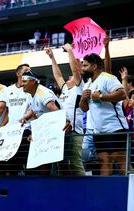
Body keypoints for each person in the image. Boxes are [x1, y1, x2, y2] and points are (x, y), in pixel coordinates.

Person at [79, 53, 128, 176]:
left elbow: (122, 94)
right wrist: (83, 99)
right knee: (104, 161)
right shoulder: (88, 83)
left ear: (94, 66)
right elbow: (84, 109)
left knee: (120, 160)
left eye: (85, 65)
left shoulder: (108, 78)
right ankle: (106, 192)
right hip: (98, 131)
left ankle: (130, 190)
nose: (82, 68)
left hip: (115, 128)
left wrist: (101, 96)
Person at [45, 44, 85, 176]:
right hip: (62, 130)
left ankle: (82, 187)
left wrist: (70, 51)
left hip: (75, 131)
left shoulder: (80, 87)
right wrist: (52, 58)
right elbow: (57, 75)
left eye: (72, 76)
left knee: (75, 162)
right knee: (61, 162)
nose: (69, 77)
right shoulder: (65, 89)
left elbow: (75, 71)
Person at [20, 69, 68, 175]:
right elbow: (35, 109)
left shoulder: (43, 93)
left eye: (24, 81)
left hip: (59, 129)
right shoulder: (31, 94)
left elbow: (56, 112)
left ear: (33, 81)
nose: (21, 84)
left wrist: (37, 133)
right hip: (48, 130)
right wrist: (26, 117)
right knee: (43, 162)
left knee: (61, 165)